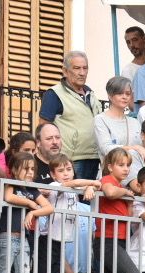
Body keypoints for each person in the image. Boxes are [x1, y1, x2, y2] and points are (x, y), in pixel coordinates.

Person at [39, 51, 98, 179]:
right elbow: (43, 128)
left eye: (85, 68)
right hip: (71, 160)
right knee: (74, 197)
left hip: (94, 158)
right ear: (65, 71)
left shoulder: (91, 94)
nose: (82, 73)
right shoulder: (54, 94)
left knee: (89, 198)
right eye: (77, 68)